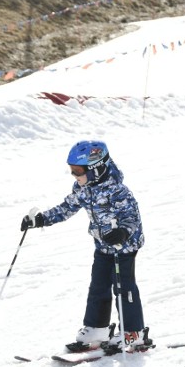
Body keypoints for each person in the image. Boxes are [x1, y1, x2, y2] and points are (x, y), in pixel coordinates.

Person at [20, 140, 149, 350]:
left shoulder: (118, 191)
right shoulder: (83, 188)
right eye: (72, 171)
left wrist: (122, 232)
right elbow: (67, 207)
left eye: (78, 171)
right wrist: (41, 219)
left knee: (123, 288)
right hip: (102, 246)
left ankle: (133, 332)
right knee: (98, 286)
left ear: (96, 168)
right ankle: (97, 328)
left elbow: (132, 217)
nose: (74, 176)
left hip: (123, 247)